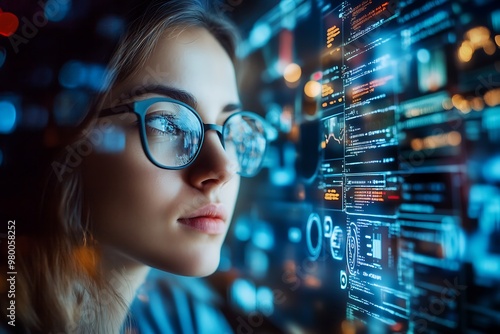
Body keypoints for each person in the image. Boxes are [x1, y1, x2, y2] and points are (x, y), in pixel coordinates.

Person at [1, 0, 268, 332]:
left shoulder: (185, 318)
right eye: (169, 125)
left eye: (230, 129)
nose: (224, 168)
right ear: (64, 132)